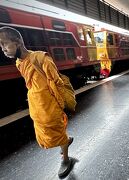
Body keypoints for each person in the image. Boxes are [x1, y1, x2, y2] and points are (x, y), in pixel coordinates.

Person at [0, 26, 73, 178]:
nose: (3, 49)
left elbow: (57, 82)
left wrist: (61, 105)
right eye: (0, 46)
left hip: (50, 104)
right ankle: (64, 141)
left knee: (57, 131)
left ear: (18, 42)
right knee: (49, 131)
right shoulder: (19, 62)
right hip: (37, 104)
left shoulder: (41, 58)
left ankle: (66, 159)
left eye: (4, 44)